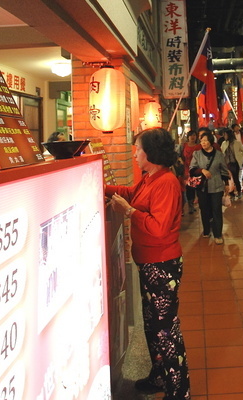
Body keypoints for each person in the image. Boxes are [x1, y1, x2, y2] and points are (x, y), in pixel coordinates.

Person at [106, 128, 190, 400]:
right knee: (153, 325)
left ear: (151, 153)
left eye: (138, 148)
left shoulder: (166, 182)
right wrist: (103, 186)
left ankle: (179, 390)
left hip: (162, 265)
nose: (134, 153)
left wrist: (129, 212)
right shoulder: (149, 178)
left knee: (166, 329)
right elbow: (130, 192)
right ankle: (159, 376)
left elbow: (158, 228)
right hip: (150, 262)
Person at [189, 131, 230, 244]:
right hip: (202, 188)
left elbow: (223, 170)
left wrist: (226, 184)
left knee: (216, 210)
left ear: (211, 142)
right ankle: (206, 230)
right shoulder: (196, 154)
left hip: (216, 186)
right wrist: (202, 170)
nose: (203, 143)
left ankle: (218, 234)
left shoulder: (219, 155)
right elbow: (192, 170)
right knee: (204, 209)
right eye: (201, 141)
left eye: (205, 141)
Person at [221, 129, 243, 199]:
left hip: (234, 163)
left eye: (225, 134)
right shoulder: (224, 143)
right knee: (228, 179)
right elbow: (221, 151)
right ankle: (231, 193)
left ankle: (239, 191)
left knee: (235, 178)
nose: (224, 136)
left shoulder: (237, 143)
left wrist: (240, 158)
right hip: (226, 164)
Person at [181, 130, 201, 214]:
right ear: (188, 137)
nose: (193, 137)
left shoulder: (198, 146)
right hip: (185, 170)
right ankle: (190, 205)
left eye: (194, 135)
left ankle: (193, 204)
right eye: (191, 135)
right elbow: (180, 156)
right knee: (188, 189)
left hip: (194, 170)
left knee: (193, 188)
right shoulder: (184, 145)